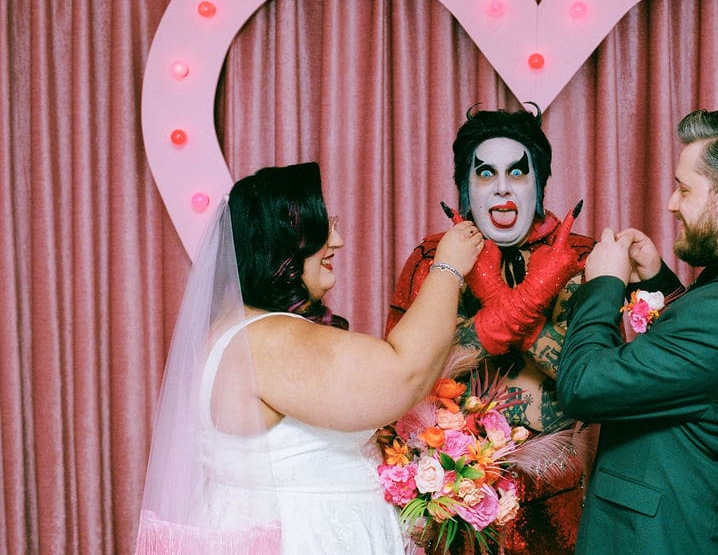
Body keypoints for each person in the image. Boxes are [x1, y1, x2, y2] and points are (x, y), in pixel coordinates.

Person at [135, 162, 483, 554]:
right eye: (322, 228)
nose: (337, 241)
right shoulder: (270, 340)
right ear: (281, 245)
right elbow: (403, 374)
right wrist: (448, 267)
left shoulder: (238, 329)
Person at [557, 109, 718, 554]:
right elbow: (712, 375)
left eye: (684, 189)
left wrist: (603, 283)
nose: (672, 204)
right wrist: (659, 282)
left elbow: (582, 385)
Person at [386, 106, 594, 554]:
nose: (502, 186)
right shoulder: (432, 262)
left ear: (538, 185)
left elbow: (599, 379)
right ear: (466, 189)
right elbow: (400, 380)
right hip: (453, 507)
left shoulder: (584, 259)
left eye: (518, 172)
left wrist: (525, 295)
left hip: (559, 510)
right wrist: (511, 303)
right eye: (486, 173)